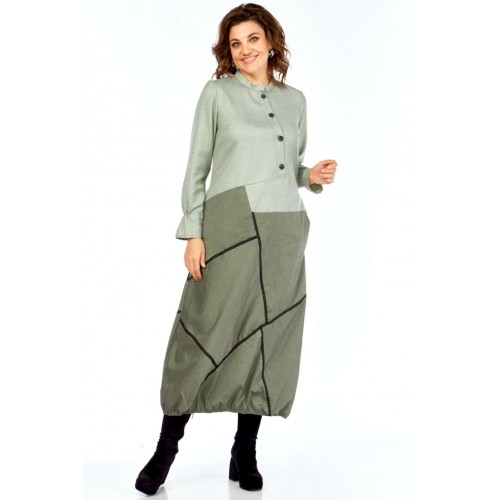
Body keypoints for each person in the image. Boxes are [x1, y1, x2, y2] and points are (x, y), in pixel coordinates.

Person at [135, 3, 337, 495]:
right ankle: (165, 449)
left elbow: (289, 166)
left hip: (283, 231)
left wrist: (310, 176)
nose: (245, 49)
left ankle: (244, 450)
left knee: (264, 337)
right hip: (229, 227)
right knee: (201, 331)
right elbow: (197, 168)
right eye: (235, 43)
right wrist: (194, 231)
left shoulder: (295, 101)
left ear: (271, 42)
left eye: (252, 39)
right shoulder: (217, 94)